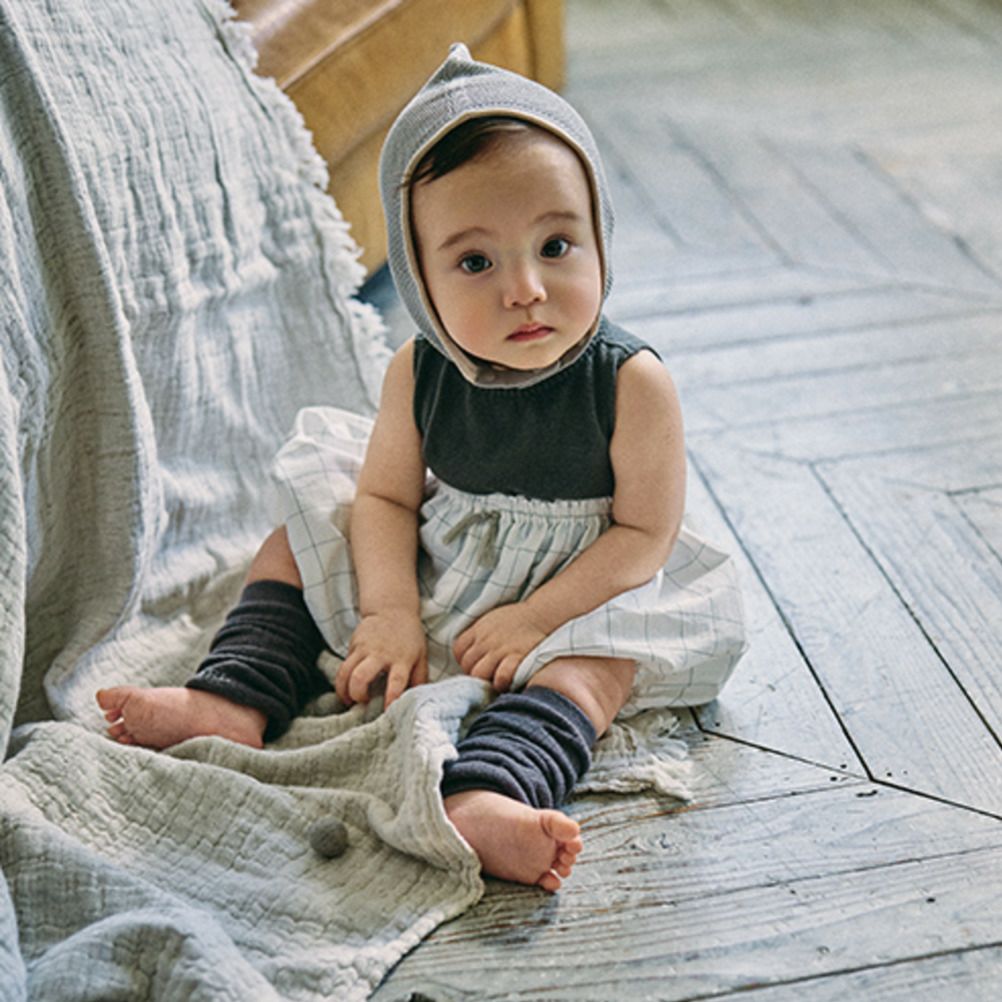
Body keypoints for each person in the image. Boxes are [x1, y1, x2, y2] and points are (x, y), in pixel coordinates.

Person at [97, 45, 746, 891]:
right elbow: (383, 497)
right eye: (476, 262)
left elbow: (644, 536)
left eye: (556, 245)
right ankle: (237, 695)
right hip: (450, 559)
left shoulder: (631, 381)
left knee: (600, 668)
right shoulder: (419, 369)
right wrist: (390, 611)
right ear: (418, 276)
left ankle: (491, 791)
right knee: (295, 540)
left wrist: (537, 616)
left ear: (601, 237)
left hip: (582, 585)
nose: (526, 288)